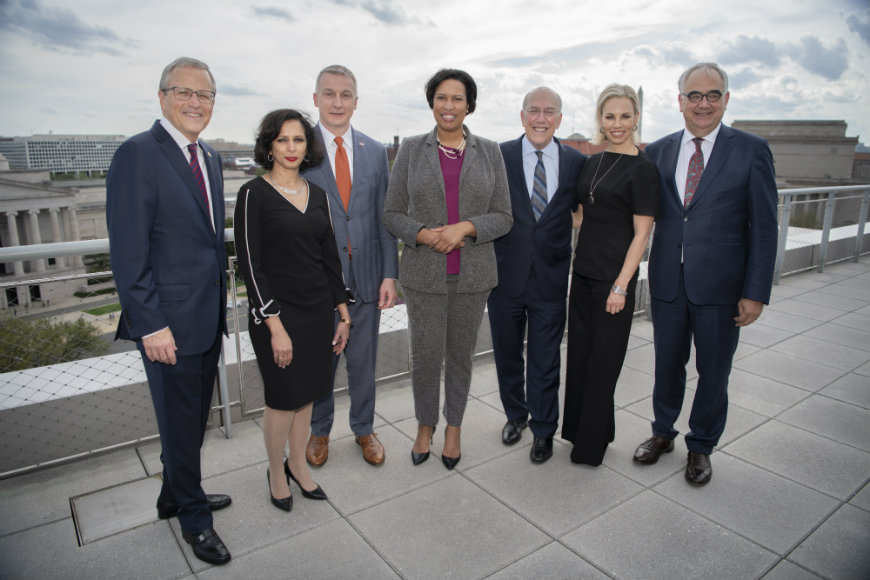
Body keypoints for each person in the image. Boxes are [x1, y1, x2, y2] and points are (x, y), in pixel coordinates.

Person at [106, 57, 231, 565]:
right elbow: (128, 252)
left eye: (204, 95)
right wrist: (150, 323)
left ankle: (172, 493)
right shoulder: (138, 154)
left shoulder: (210, 158)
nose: (195, 103)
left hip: (205, 317)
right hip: (168, 326)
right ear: (162, 97)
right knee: (181, 423)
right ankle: (195, 520)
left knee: (192, 420)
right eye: (185, 92)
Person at [634, 63, 778, 485]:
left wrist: (756, 292)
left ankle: (701, 446)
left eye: (713, 95)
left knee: (714, 370)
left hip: (721, 286)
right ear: (680, 102)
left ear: (726, 100)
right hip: (667, 283)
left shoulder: (751, 150)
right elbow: (641, 214)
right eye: (694, 96)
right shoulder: (658, 151)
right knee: (666, 365)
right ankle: (663, 433)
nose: (703, 103)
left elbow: (765, 227)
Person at [383, 69, 513, 470]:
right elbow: (391, 214)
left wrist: (467, 228)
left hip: (473, 277)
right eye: (441, 97)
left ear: (469, 105)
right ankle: (426, 425)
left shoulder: (490, 151)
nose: (449, 106)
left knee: (460, 356)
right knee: (424, 357)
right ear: (432, 103)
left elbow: (505, 216)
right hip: (423, 276)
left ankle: (453, 426)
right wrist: (423, 235)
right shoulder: (410, 151)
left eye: (457, 98)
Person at [234, 109, 351, 510]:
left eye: (298, 140)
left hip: (317, 312)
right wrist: (275, 326)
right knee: (283, 398)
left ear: (308, 146)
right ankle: (274, 469)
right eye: (282, 140)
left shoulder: (317, 195)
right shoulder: (253, 193)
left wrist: (343, 313)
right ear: (268, 146)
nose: (290, 148)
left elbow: (329, 259)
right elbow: (251, 266)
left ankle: (298, 466)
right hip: (276, 318)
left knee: (308, 397)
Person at [302, 65, 398, 467]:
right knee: (322, 364)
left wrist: (390, 273)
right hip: (320, 282)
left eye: (345, 95)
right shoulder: (301, 150)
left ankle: (364, 429)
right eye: (329, 94)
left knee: (364, 362)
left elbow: (385, 217)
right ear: (315, 100)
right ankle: (319, 431)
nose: (337, 102)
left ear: (356, 102)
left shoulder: (375, 151)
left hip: (368, 278)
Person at [562, 84, 660, 466]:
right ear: (600, 120)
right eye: (609, 116)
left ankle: (591, 448)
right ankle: (586, 433)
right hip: (583, 273)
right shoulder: (593, 161)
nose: (616, 124)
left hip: (612, 282)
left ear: (636, 118)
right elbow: (582, 217)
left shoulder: (644, 168)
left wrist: (621, 285)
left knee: (604, 363)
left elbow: (642, 234)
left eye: (624, 116)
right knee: (582, 358)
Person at [489, 87, 585, 464]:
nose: (541, 118)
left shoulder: (577, 162)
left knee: (546, 360)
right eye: (534, 111)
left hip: (551, 278)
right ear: (522, 115)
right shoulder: (500, 156)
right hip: (504, 279)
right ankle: (516, 415)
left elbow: (583, 211)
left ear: (559, 119)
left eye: (549, 112)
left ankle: (544, 429)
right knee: (507, 356)